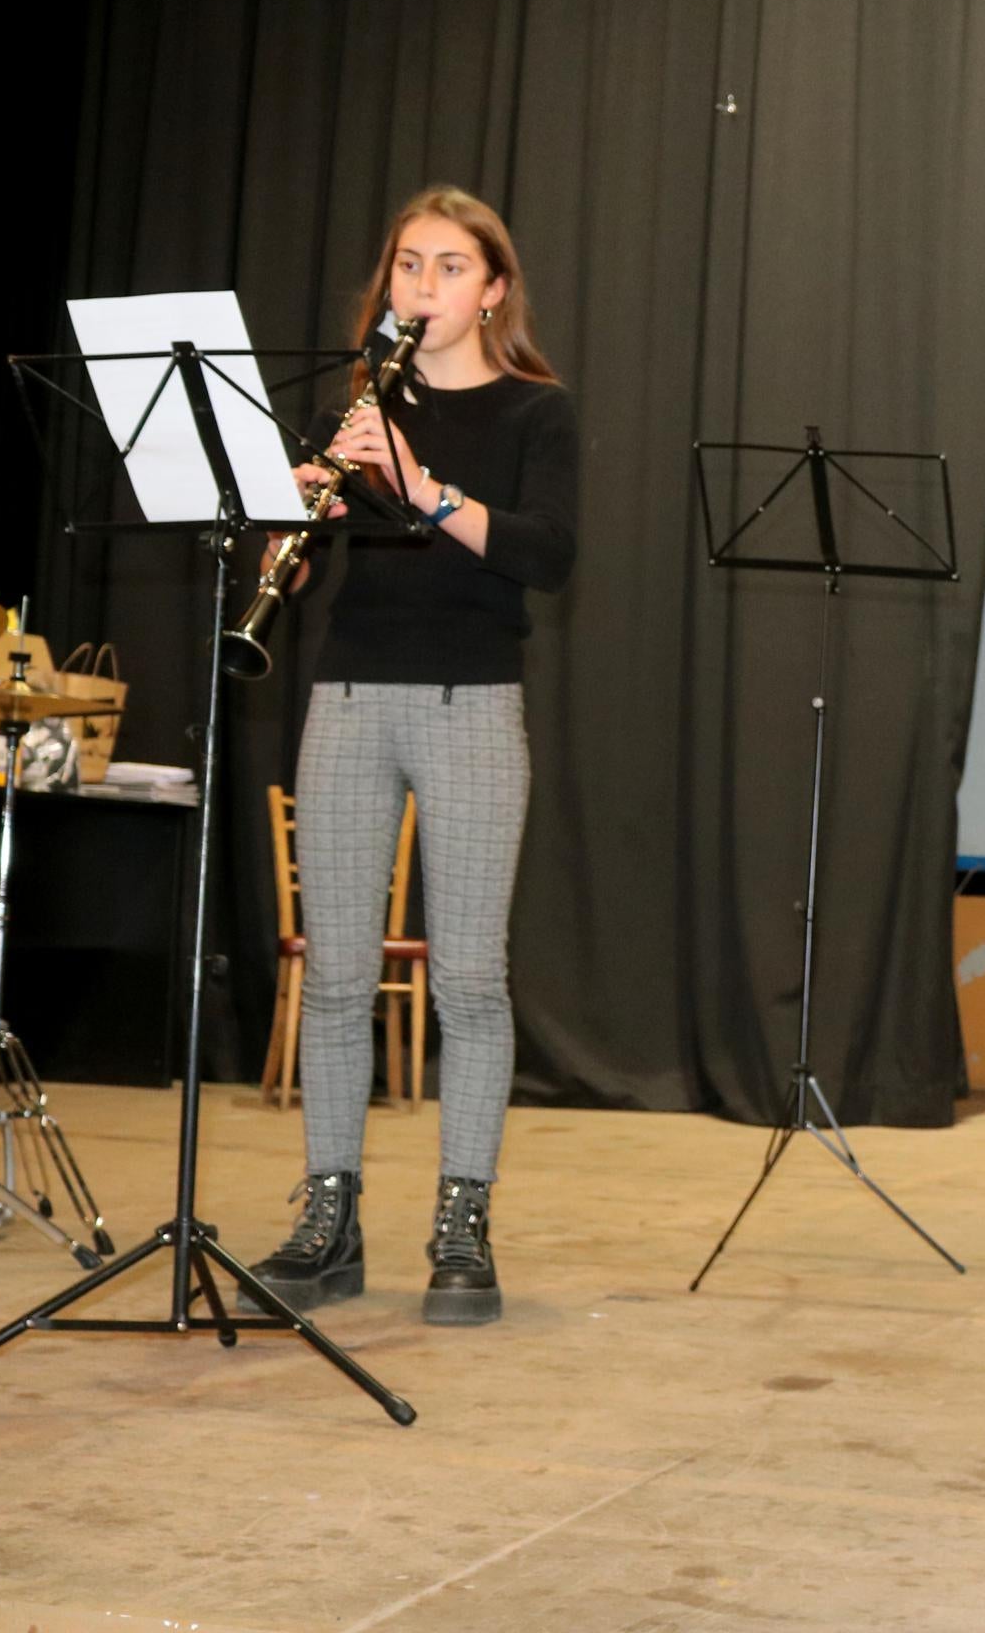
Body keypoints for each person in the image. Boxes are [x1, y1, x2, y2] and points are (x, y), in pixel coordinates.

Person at [244, 185, 580, 1326]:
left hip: (470, 703)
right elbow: (329, 536)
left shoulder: (536, 412)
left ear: (492, 288)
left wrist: (420, 485)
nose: (421, 287)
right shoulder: (360, 406)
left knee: (471, 979)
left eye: (447, 267)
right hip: (348, 694)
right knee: (336, 980)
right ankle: (329, 1218)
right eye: (406, 266)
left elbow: (544, 553)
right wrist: (305, 501)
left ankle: (462, 1222)